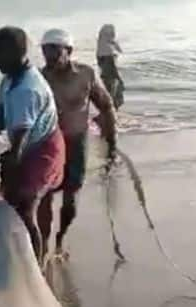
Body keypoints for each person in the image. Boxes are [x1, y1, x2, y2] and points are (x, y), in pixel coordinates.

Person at [0, 26, 66, 263]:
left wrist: (12, 164)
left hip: (44, 149)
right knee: (12, 200)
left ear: (15, 52)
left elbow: (21, 137)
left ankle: (36, 266)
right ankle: (19, 255)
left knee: (25, 206)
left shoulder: (27, 89)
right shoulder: (10, 80)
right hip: (28, 144)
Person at [40, 29, 118, 259]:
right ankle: (43, 245)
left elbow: (106, 106)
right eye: (45, 50)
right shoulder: (38, 79)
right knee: (44, 195)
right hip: (48, 144)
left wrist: (111, 142)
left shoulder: (85, 74)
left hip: (76, 142)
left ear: (69, 51)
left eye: (55, 49)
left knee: (71, 199)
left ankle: (60, 239)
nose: (49, 55)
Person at [96, 24, 125, 110]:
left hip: (103, 62)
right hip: (108, 60)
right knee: (115, 83)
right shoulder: (108, 46)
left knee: (108, 83)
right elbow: (118, 48)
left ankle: (108, 107)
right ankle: (112, 107)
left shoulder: (101, 44)